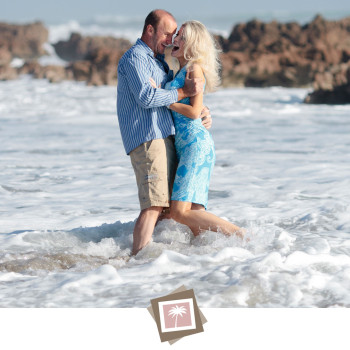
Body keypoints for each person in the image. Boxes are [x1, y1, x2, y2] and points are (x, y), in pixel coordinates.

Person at [117, 10, 211, 255]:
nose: (170, 40)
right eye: (168, 33)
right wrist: (182, 95)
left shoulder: (160, 63)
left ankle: (183, 259)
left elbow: (186, 101)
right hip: (149, 138)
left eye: (175, 35)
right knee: (154, 205)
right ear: (150, 30)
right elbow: (148, 97)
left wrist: (202, 110)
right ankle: (138, 260)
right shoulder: (135, 58)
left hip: (168, 138)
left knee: (171, 209)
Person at [151, 20, 244, 238]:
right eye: (176, 36)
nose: (175, 40)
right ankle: (204, 257)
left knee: (179, 212)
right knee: (194, 211)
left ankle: (241, 235)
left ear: (192, 43)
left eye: (181, 37)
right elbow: (197, 108)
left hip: (195, 145)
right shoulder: (179, 71)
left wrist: (162, 99)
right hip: (189, 146)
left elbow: (193, 112)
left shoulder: (194, 68)